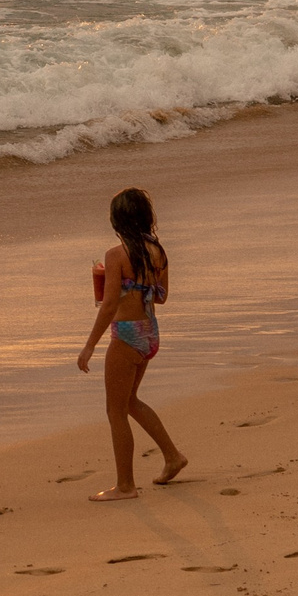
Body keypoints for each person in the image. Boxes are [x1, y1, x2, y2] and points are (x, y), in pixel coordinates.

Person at [75, 187, 189, 502]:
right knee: (130, 402)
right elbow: (162, 297)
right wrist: (139, 286)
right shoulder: (158, 252)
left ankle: (125, 485)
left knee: (115, 411)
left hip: (126, 335)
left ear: (118, 220)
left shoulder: (116, 255)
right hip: (150, 333)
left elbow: (109, 306)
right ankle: (172, 456)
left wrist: (89, 346)